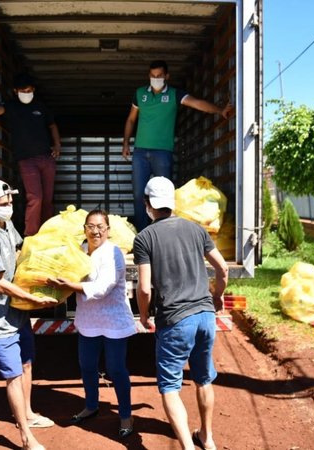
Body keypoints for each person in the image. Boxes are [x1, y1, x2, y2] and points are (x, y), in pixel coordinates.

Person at [133, 176, 228, 450]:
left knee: (170, 386)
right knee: (203, 378)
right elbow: (222, 269)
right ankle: (207, 438)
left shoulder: (145, 238)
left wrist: (143, 316)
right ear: (172, 202)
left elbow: (144, 289)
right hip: (205, 316)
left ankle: (187, 446)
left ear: (147, 204)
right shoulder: (197, 230)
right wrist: (217, 296)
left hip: (175, 320)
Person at [0, 179, 59, 450]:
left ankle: (29, 414)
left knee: (26, 365)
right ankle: (25, 437)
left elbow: (21, 252)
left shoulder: (7, 225)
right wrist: (33, 297)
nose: (9, 207)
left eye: (10, 203)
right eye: (3, 204)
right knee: (13, 375)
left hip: (18, 313)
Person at [46, 210, 136, 438]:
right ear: (84, 229)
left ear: (108, 230)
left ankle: (125, 415)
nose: (95, 231)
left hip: (113, 319)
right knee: (86, 365)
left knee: (116, 369)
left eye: (100, 227)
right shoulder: (80, 252)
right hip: (88, 319)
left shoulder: (113, 253)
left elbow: (103, 288)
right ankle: (91, 405)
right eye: (91, 226)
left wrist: (71, 285)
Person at [122, 60, 233, 232]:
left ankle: (164, 232)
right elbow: (130, 119)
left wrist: (219, 110)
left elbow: (197, 103)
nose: (156, 79)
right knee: (138, 195)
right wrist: (125, 143)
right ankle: (142, 234)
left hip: (163, 153)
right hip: (140, 152)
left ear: (167, 76)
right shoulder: (140, 94)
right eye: (152, 76)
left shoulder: (174, 94)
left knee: (165, 194)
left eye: (159, 76)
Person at [0, 73, 62, 237]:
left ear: (33, 89)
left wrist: (57, 145)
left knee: (47, 200)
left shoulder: (41, 107)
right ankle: (31, 236)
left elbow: (52, 125)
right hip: (27, 161)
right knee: (35, 198)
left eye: (29, 89)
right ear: (15, 91)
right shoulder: (12, 106)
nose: (26, 92)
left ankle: (47, 235)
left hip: (46, 158)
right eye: (23, 90)